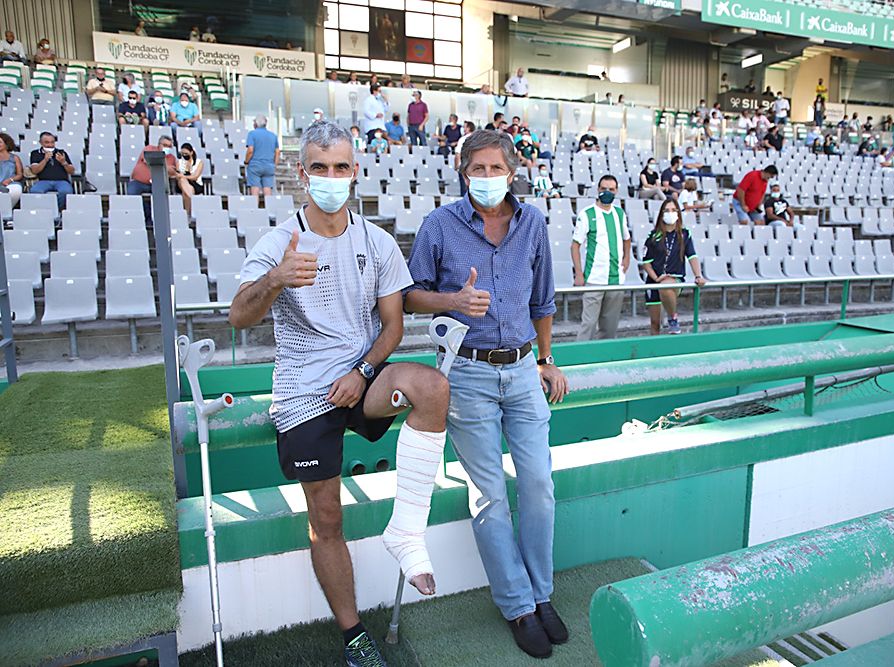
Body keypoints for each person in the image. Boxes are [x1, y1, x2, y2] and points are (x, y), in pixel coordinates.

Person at [230, 121, 451, 667]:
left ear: (355, 171)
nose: (331, 178)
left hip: (362, 377)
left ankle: (406, 529)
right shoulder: (278, 242)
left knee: (432, 386)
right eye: (320, 168)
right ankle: (353, 634)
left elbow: (393, 328)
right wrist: (277, 278)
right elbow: (239, 316)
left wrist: (364, 369)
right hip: (305, 392)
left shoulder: (375, 240)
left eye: (341, 167)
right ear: (303, 174)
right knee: (326, 518)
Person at [404, 129, 569, 659]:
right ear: (462, 170)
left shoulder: (533, 223)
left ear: (513, 172)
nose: (488, 178)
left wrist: (545, 360)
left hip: (522, 369)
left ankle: (542, 594)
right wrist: (453, 299)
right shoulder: (439, 224)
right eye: (478, 169)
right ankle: (518, 605)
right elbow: (410, 297)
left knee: (539, 485)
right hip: (468, 374)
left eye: (496, 168)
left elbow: (543, 299)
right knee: (490, 496)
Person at [571, 175, 630, 341]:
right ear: (598, 190)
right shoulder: (587, 214)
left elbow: (626, 238)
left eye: (611, 189)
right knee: (588, 324)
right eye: (604, 189)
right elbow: (575, 245)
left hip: (616, 279)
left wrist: (627, 259)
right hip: (595, 279)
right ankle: (581, 358)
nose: (607, 192)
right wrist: (579, 274)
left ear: (616, 191)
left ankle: (604, 359)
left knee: (610, 326)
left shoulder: (619, 213)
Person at [640, 200, 705, 335]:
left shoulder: (684, 234)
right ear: (661, 214)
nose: (670, 213)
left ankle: (672, 318)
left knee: (666, 285)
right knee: (655, 323)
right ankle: (655, 352)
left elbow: (692, 256)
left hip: (674, 280)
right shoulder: (653, 236)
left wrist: (698, 275)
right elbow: (646, 262)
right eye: (667, 210)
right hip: (654, 281)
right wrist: (656, 278)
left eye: (674, 210)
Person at [126, 135, 178, 221]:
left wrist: (165, 167)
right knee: (132, 197)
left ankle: (156, 221)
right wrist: (165, 166)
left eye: (169, 146)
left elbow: (173, 172)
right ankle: (132, 220)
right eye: (165, 145)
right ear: (159, 144)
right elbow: (148, 159)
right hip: (138, 182)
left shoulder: (171, 158)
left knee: (161, 198)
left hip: (156, 184)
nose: (167, 148)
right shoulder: (149, 148)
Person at [29, 132, 75, 210]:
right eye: (47, 142)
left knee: (66, 191)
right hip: (43, 181)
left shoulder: (61, 153)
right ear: (40, 142)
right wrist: (45, 159)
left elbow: (72, 171)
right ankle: (44, 210)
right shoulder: (35, 153)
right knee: (35, 191)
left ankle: (57, 210)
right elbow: (35, 171)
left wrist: (63, 162)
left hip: (61, 181)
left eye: (52, 142)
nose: (50, 145)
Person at [245, 115, 280, 198]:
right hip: (269, 165)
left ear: (256, 124)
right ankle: (269, 208)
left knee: (255, 189)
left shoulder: (252, 134)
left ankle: (255, 209)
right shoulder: (273, 135)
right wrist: (275, 164)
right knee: (267, 189)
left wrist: (246, 161)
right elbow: (277, 152)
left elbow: (250, 150)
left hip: (255, 164)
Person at [176, 143, 205, 216]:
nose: (184, 155)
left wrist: (184, 176)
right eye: (182, 154)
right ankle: (190, 212)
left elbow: (195, 177)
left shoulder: (199, 162)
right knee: (183, 181)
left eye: (186, 153)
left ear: (191, 152)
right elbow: (177, 175)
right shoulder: (179, 162)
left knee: (185, 192)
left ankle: (187, 214)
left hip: (195, 184)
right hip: (182, 183)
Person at [0, 132, 24, 206]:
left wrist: (10, 180)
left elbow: (19, 174)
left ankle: (7, 210)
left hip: (11, 183)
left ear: (6, 144)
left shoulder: (15, 158)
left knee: (16, 190)